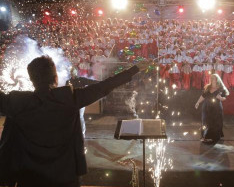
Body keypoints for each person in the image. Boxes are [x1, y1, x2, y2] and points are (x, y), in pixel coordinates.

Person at [0, 55, 150, 187]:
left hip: (29, 179)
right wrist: (133, 70)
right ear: (55, 78)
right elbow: (104, 87)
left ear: (31, 79)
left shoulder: (16, 102)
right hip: (65, 177)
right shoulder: (69, 99)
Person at [195, 74, 229, 143]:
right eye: (211, 78)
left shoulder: (221, 88)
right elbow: (203, 96)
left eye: (213, 78)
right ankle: (205, 136)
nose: (211, 79)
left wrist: (221, 98)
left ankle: (215, 136)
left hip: (216, 108)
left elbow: (224, 98)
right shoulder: (208, 87)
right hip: (206, 107)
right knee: (205, 121)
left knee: (216, 122)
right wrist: (198, 102)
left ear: (217, 79)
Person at [65, 67, 98, 138]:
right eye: (71, 71)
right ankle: (74, 133)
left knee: (80, 116)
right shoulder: (68, 82)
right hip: (72, 102)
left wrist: (100, 83)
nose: (72, 72)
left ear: (76, 72)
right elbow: (66, 92)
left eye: (73, 71)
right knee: (74, 117)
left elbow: (91, 82)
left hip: (80, 102)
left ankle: (82, 134)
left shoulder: (81, 80)